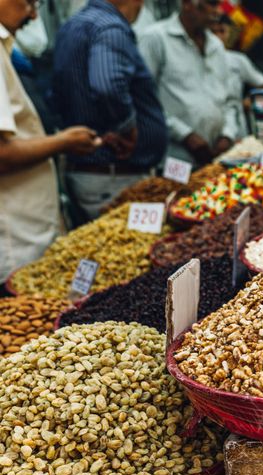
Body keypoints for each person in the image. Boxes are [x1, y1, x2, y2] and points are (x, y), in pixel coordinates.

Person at [0, 0, 101, 282]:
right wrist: (64, 141)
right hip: (15, 243)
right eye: (30, 2)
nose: (33, 15)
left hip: (26, 235)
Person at [52, 0, 168, 221]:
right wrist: (126, 128)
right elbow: (108, 85)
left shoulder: (73, 25)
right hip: (111, 175)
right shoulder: (110, 27)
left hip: (93, 173)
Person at [138, 0, 238, 165]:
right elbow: (143, 100)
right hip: (174, 158)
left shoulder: (216, 46)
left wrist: (227, 135)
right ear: (187, 4)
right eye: (211, 4)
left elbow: (229, 99)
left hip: (214, 157)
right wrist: (185, 135)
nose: (218, 11)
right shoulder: (155, 38)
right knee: (176, 191)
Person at [210, 15, 263, 139]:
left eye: (222, 31)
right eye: (213, 32)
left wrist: (249, 101)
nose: (217, 36)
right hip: (208, 123)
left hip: (236, 124)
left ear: (229, 33)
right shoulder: (199, 60)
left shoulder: (237, 60)